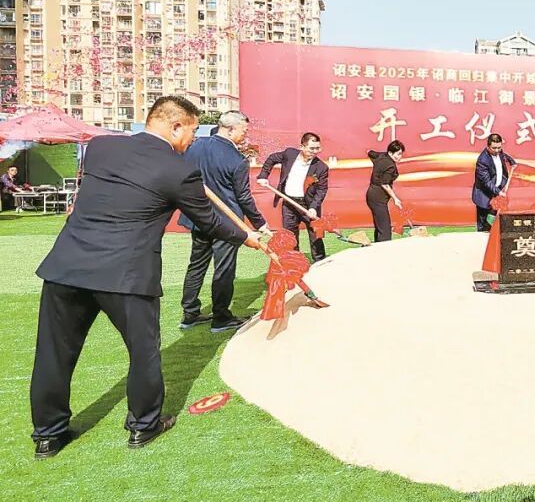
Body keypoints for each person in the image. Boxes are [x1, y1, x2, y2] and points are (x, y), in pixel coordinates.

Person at [29, 96, 261, 459]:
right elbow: (209, 222)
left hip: (66, 267)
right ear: (176, 126)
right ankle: (143, 424)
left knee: (53, 354)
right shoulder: (179, 170)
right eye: (192, 132)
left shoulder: (100, 148)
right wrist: (249, 237)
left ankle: (48, 434)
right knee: (143, 352)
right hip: (127, 275)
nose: (192, 141)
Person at [178, 111, 271, 333]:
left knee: (196, 265)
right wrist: (259, 223)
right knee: (224, 269)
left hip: (199, 218)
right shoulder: (237, 160)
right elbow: (244, 197)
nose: (245, 135)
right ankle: (221, 318)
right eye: (243, 131)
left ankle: (190, 314)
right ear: (230, 129)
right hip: (226, 224)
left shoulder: (195, 146)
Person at [256, 132, 329, 263]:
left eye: (317, 148)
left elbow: (321, 190)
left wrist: (313, 207)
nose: (315, 152)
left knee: (316, 235)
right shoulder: (289, 154)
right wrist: (263, 176)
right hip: (289, 203)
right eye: (311, 148)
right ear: (302, 147)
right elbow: (272, 159)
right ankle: (294, 261)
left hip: (308, 205)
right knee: (290, 235)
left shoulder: (321, 167)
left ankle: (320, 262)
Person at [471, 133, 516, 231]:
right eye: (494, 148)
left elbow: (503, 156)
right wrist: (499, 192)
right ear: (488, 146)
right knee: (484, 226)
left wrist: (511, 161)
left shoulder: (499, 152)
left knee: (495, 221)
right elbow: (486, 182)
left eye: (499, 147)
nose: (497, 150)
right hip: (484, 194)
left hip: (496, 192)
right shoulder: (482, 160)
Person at [366, 140, 405, 243]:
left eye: (401, 154)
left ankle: (377, 246)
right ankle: (384, 248)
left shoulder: (381, 156)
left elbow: (370, 152)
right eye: (398, 154)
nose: (400, 157)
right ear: (391, 153)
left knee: (380, 225)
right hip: (378, 198)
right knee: (385, 229)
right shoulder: (390, 166)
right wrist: (395, 199)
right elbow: (385, 184)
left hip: (371, 195)